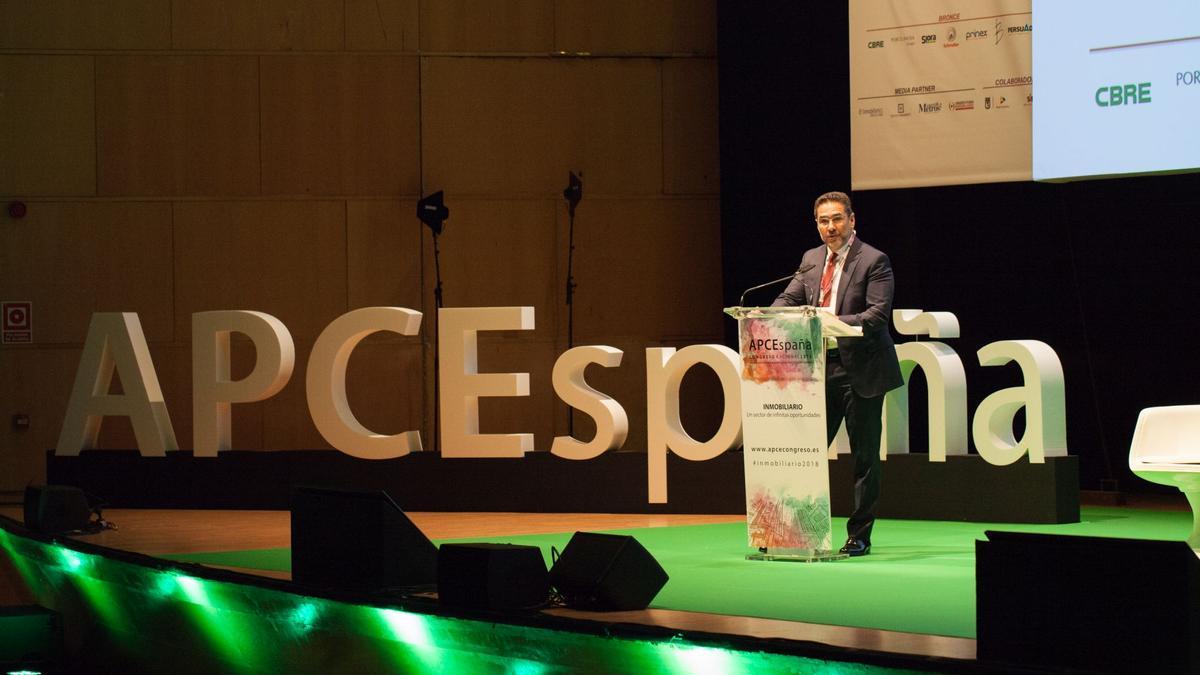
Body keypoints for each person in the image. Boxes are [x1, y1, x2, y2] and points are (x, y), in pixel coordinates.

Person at [772, 191, 902, 557]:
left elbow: (876, 317)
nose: (830, 227)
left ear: (852, 220)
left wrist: (826, 322)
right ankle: (794, 530)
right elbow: (788, 298)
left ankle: (859, 535)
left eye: (836, 219)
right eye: (823, 221)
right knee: (806, 452)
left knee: (864, 458)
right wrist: (774, 315)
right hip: (818, 370)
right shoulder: (811, 259)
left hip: (861, 370)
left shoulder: (874, 260)